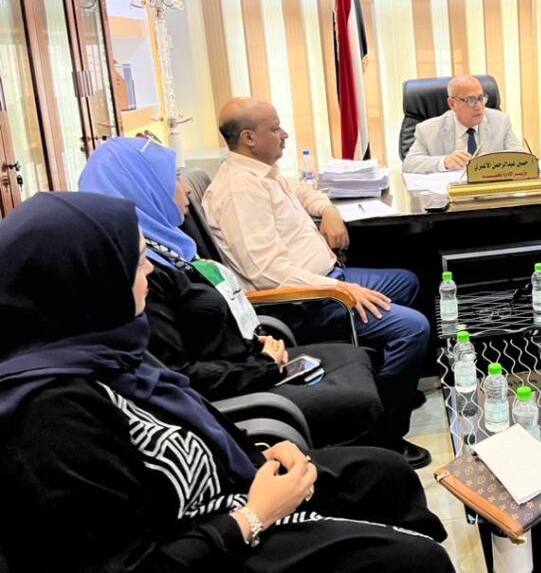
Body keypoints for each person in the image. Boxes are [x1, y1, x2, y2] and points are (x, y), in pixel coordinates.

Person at [0, 192, 452, 573]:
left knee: (385, 473)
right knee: (416, 562)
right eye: (136, 262)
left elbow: (188, 424)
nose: (150, 271)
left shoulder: (108, 349)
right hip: (215, 540)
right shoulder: (50, 421)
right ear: (84, 281)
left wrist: (256, 453)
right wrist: (255, 516)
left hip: (227, 492)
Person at [78, 136, 390, 453]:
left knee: (355, 360)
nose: (187, 189)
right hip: (233, 394)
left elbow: (205, 329)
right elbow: (179, 374)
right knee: (368, 417)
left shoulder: (171, 248)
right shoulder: (142, 278)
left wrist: (255, 343)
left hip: (243, 361)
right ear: (143, 190)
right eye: (173, 179)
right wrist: (262, 365)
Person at [203, 97, 431, 468]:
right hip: (303, 303)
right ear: (248, 137)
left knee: (406, 282)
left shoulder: (263, 171)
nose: (284, 134)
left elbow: (303, 191)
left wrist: (327, 210)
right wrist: (340, 290)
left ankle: (390, 389)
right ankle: (384, 434)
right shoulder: (239, 191)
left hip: (327, 281)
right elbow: (266, 272)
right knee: (412, 328)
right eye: (275, 129)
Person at [402, 75, 524, 173]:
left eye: (481, 98)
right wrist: (444, 162)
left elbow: (520, 156)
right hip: (449, 193)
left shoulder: (501, 121)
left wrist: (493, 162)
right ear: (452, 104)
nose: (478, 106)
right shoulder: (428, 130)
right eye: (471, 100)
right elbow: (409, 164)